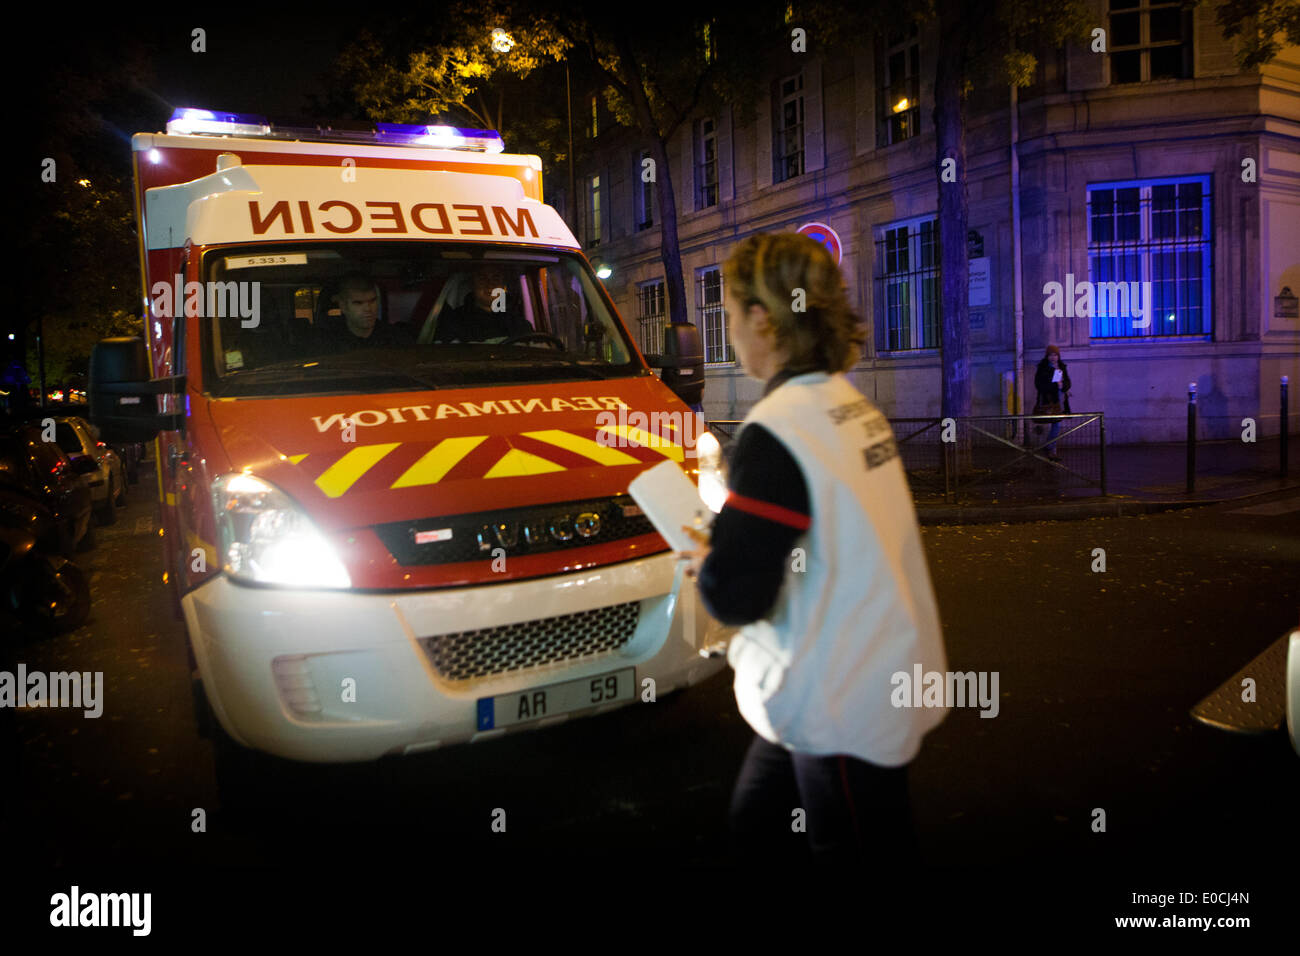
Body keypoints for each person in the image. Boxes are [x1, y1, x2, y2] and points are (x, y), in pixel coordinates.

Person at [677, 232, 949, 863]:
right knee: (757, 828)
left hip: (838, 695)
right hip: (854, 674)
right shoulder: (851, 407)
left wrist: (707, 565)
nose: (728, 327)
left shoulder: (778, 429)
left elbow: (741, 593)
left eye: (732, 308)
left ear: (762, 320)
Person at [432, 264, 532, 343]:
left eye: (496, 278)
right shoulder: (452, 322)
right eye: (482, 278)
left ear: (503, 285)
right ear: (472, 283)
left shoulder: (520, 324)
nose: (489, 284)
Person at [313, 273, 412, 352]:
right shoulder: (327, 342)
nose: (368, 308)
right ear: (343, 306)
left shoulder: (395, 339)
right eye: (358, 303)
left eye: (372, 301)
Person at [1033, 344, 1072, 461]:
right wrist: (1055, 385)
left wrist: (1063, 386)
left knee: (1056, 424)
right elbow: (1039, 384)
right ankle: (1049, 448)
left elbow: (1068, 382)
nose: (1053, 357)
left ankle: (1051, 449)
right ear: (1047, 356)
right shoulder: (1043, 368)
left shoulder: (1062, 367)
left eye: (1055, 355)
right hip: (1048, 400)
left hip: (1060, 400)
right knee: (1051, 423)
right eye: (1050, 355)